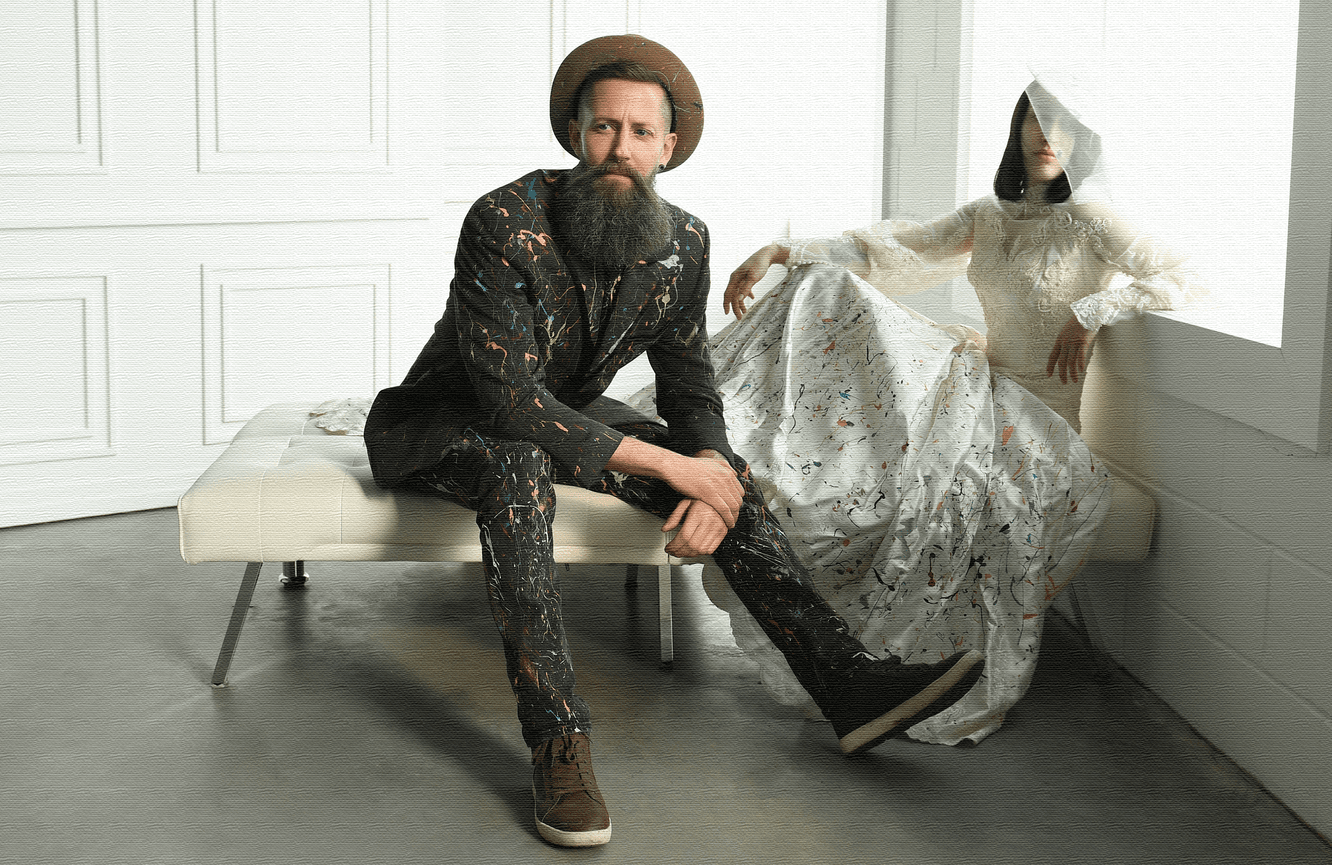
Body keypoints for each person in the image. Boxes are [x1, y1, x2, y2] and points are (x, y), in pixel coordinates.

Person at [363, 35, 984, 849]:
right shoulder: (503, 221)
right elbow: (511, 403)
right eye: (601, 129)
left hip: (568, 416)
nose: (618, 149)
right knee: (524, 464)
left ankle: (848, 682)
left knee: (723, 468)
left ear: (669, 146)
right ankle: (559, 739)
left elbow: (690, 384)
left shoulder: (683, 242)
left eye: (639, 132)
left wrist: (712, 470)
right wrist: (669, 464)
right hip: (448, 420)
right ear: (575, 134)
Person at [645, 77, 1205, 748]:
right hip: (982, 386)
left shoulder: (1092, 221)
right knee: (826, 285)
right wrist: (782, 251)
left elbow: (1183, 275)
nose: (1049, 137)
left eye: (1066, 128)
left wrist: (1093, 310)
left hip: (1041, 420)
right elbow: (896, 249)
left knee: (944, 481)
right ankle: (717, 422)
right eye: (1037, 120)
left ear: (1085, 143)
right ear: (1018, 127)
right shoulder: (989, 214)